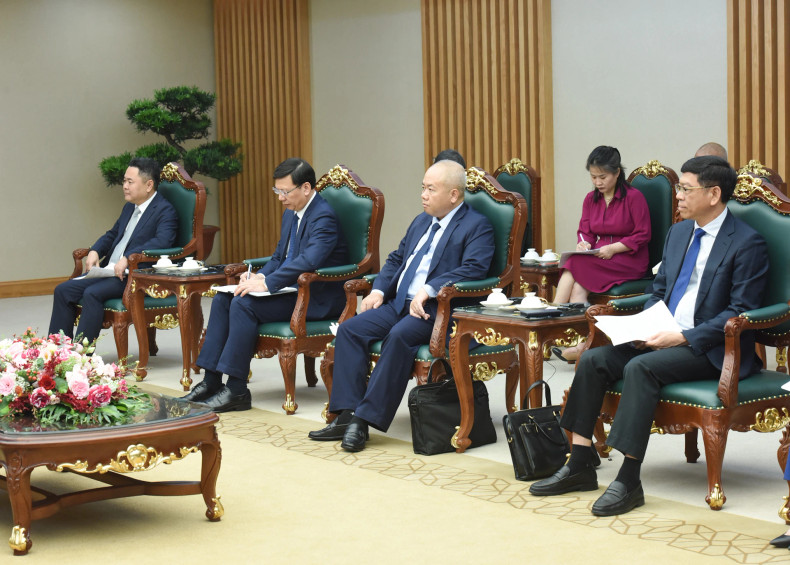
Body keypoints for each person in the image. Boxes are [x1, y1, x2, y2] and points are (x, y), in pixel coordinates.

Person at [529, 156, 769, 517]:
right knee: (593, 359)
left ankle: (628, 480)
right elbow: (659, 291)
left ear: (714, 194)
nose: (679, 197)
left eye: (686, 189)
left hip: (710, 346)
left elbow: (739, 311)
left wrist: (683, 338)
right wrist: (642, 324)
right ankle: (579, 461)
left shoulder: (747, 243)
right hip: (662, 333)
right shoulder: (679, 233)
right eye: (679, 188)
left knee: (642, 368)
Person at [307, 160, 495, 452]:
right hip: (398, 303)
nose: (423, 195)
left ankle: (364, 421)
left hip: (437, 310)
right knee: (350, 330)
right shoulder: (421, 221)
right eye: (423, 187)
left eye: (431, 189)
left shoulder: (477, 225)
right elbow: (396, 258)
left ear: (454, 195)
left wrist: (429, 290)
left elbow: (474, 269)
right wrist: (379, 290)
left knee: (399, 336)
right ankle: (345, 414)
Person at [182, 158, 349, 412]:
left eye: (285, 191)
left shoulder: (323, 216)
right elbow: (279, 257)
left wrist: (269, 283)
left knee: (243, 304)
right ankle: (211, 380)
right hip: (291, 290)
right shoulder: (291, 214)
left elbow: (309, 260)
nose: (280, 197)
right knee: (224, 299)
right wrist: (259, 277)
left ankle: (237, 389)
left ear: (305, 188)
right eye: (277, 191)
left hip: (316, 296)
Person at [49, 157, 178, 345]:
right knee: (62, 290)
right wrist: (94, 250)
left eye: (130, 182)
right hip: (109, 271)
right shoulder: (129, 207)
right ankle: (57, 351)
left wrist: (128, 257)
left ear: (149, 184)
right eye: (124, 181)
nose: (124, 186)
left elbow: (163, 242)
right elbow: (112, 234)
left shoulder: (165, 210)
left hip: (134, 275)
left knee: (92, 293)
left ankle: (81, 357)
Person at [552, 146, 651, 362]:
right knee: (578, 285)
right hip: (599, 256)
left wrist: (614, 248)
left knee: (573, 264)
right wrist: (583, 243)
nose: (598, 182)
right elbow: (584, 230)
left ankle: (552, 322)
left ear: (616, 173)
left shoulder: (634, 197)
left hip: (628, 258)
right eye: (593, 177)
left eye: (602, 177)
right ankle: (581, 344)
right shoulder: (591, 199)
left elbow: (643, 235)